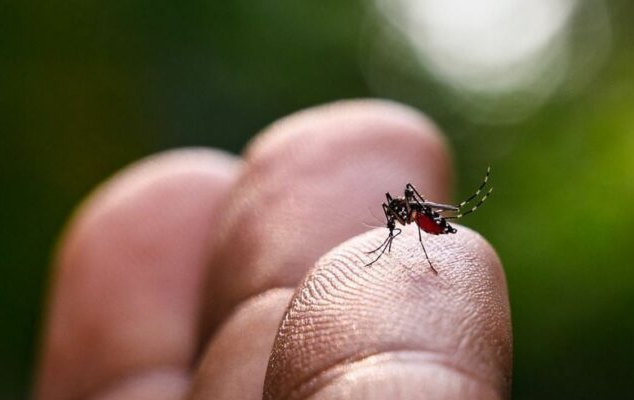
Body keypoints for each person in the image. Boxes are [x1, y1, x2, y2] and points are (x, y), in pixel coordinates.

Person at [36, 100, 512, 399]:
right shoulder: (399, 215)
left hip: (433, 227)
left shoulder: (410, 214)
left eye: (398, 213)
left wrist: (421, 224)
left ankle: (458, 211)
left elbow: (405, 218)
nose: (393, 214)